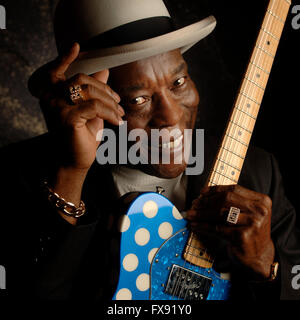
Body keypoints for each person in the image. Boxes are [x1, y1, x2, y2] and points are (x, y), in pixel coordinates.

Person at [0, 0, 299, 300]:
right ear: (91, 100)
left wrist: (268, 267)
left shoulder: (258, 172)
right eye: (138, 100)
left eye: (178, 82)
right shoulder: (21, 174)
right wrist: (70, 173)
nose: (170, 117)